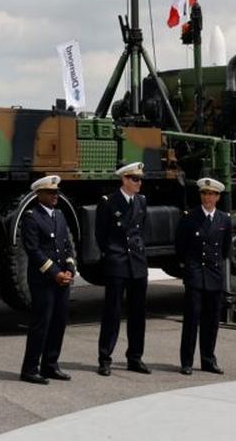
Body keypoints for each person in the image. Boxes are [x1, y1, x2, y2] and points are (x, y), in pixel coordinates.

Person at [18, 174, 76, 385]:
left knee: (59, 322)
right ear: (39, 194)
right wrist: (55, 273)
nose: (55, 196)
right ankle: (30, 368)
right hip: (44, 280)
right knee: (41, 324)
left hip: (62, 279)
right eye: (51, 193)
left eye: (57, 192)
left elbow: (66, 245)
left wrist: (69, 268)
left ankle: (50, 365)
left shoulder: (59, 215)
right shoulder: (32, 217)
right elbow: (33, 250)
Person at [95, 160, 151, 375]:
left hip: (137, 264)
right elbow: (101, 235)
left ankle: (135, 357)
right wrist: (113, 254)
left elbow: (140, 231)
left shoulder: (142, 202)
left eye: (140, 179)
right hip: (117, 262)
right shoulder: (109, 202)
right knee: (112, 312)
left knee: (138, 313)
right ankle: (105, 357)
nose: (139, 183)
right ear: (124, 179)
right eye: (134, 179)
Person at [175, 177, 231, 376]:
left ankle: (208, 360)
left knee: (212, 320)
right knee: (191, 320)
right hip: (196, 274)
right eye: (204, 194)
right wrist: (189, 267)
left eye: (212, 194)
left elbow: (224, 249)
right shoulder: (190, 217)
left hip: (214, 275)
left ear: (217, 197)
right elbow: (180, 246)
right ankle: (187, 361)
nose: (208, 197)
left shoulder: (224, 219)